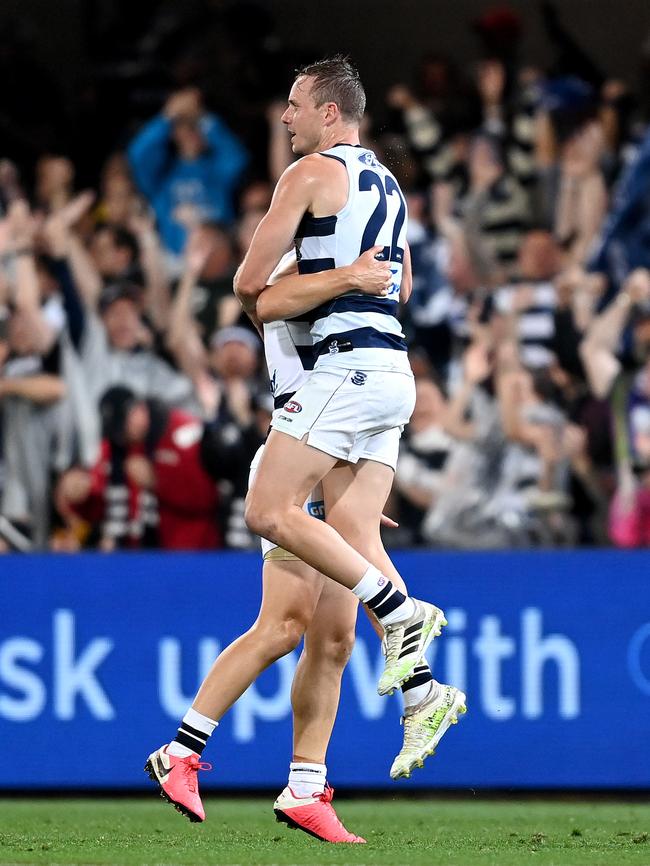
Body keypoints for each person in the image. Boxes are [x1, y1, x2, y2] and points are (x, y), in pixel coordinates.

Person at [145, 56, 465, 837]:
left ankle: (302, 777)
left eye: (292, 105)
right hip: (325, 420)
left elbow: (254, 285)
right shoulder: (380, 199)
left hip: (332, 412)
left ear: (327, 112)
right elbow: (277, 302)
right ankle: (200, 753)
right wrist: (350, 276)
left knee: (321, 625)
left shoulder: (313, 203)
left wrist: (336, 278)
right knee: (296, 623)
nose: (284, 118)